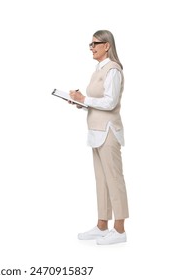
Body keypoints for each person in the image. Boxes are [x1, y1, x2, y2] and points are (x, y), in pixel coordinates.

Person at [69, 30, 129, 245]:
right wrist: (79, 102)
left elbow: (110, 102)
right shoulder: (98, 69)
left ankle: (119, 230)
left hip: (108, 131)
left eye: (96, 43)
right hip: (96, 131)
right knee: (101, 180)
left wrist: (84, 98)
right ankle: (102, 226)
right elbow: (97, 101)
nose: (91, 47)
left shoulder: (113, 70)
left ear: (107, 46)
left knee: (114, 180)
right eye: (90, 44)